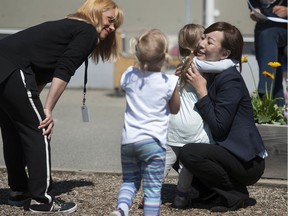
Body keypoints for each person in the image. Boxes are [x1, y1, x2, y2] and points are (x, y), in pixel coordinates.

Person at [0, 0, 123, 214]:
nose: (112, 27)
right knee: (40, 129)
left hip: (6, 66)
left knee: (14, 130)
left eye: (115, 25)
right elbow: (64, 69)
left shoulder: (70, 25)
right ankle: (42, 200)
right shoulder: (86, 31)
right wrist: (46, 109)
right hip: (12, 67)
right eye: (110, 20)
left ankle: (19, 192)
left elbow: (37, 69)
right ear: (95, 12)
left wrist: (35, 101)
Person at [179, 22, 267, 212]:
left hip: (246, 161)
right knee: (177, 145)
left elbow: (219, 127)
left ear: (225, 54)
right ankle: (211, 194)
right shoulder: (208, 71)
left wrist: (201, 90)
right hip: (225, 152)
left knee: (189, 153)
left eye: (209, 42)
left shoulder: (230, 79)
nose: (201, 44)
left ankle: (235, 193)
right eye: (203, 38)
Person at [164, 23, 237, 209]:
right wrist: (233, 60)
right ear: (198, 45)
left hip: (173, 123)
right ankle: (181, 196)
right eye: (203, 38)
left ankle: (149, 195)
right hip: (193, 125)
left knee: (165, 160)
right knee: (188, 165)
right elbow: (225, 65)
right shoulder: (197, 62)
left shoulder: (182, 63)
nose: (205, 42)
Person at [109, 29, 180, 216]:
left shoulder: (129, 75)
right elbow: (175, 109)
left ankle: (121, 209)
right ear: (164, 56)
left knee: (130, 181)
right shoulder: (169, 82)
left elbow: (128, 87)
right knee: (153, 191)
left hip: (129, 141)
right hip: (154, 143)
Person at [248, 0, 287, 106]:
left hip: (282, 28)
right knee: (264, 34)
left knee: (267, 34)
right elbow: (255, 8)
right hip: (266, 27)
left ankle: (263, 93)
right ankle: (278, 104)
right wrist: (256, 13)